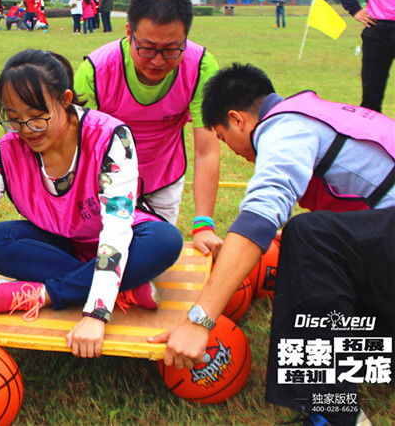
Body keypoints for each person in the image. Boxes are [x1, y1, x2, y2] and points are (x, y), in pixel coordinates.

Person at [153, 63, 394, 426]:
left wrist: (198, 321)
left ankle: (335, 413)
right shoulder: (316, 111)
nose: (231, 150)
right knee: (311, 242)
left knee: (308, 235)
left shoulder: (284, 127)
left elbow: (260, 216)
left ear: (237, 120)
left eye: (222, 138)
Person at [0, 49, 183, 367]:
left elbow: (117, 229)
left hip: (123, 239)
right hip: (63, 245)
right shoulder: (6, 153)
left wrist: (96, 312)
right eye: (14, 119)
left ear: (65, 100)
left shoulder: (111, 138)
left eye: (37, 117)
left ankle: (49, 294)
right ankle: (126, 288)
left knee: (164, 241)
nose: (26, 131)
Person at [74, 0, 223, 256]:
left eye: (171, 50)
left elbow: (206, 150)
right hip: (106, 181)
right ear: (129, 32)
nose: (157, 61)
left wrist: (204, 225)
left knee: (154, 252)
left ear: (186, 38)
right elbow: (82, 154)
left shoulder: (201, 67)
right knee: (104, 253)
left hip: (163, 177)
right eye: (148, 48)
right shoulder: (94, 72)